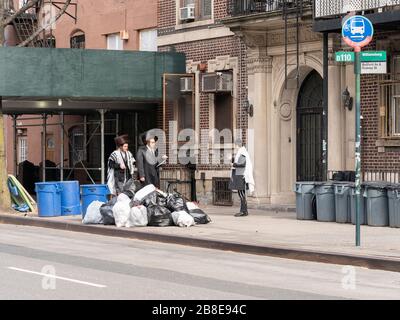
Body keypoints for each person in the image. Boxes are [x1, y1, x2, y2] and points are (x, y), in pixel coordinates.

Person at [229, 138, 255, 217]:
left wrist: (233, 164)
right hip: (240, 175)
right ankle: (244, 211)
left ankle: (243, 211)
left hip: (241, 175)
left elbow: (242, 164)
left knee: (241, 194)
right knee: (241, 194)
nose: (235, 147)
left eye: (235, 145)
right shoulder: (241, 152)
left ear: (238, 145)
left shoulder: (243, 152)